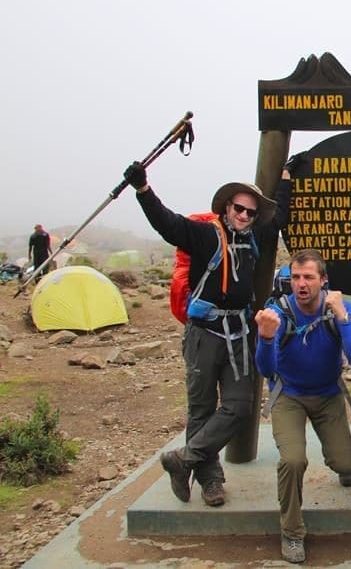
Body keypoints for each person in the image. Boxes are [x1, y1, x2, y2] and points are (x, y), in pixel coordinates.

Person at [122, 161, 290, 507]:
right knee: (201, 407)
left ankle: (183, 460)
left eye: (250, 212)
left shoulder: (254, 236)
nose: (244, 215)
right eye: (239, 208)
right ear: (227, 208)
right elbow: (168, 224)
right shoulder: (205, 235)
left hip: (239, 332)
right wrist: (143, 190)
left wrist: (286, 177)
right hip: (203, 333)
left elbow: (280, 218)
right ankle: (211, 481)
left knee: (240, 406)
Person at [254, 249, 351, 564]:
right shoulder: (278, 312)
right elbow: (265, 369)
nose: (301, 284)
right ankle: (292, 533)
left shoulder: (340, 309)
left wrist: (343, 318)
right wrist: (265, 339)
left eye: (309, 277)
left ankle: (346, 465)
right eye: (296, 278)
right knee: (292, 461)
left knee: (345, 463)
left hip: (328, 394)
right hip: (288, 395)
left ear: (323, 281)